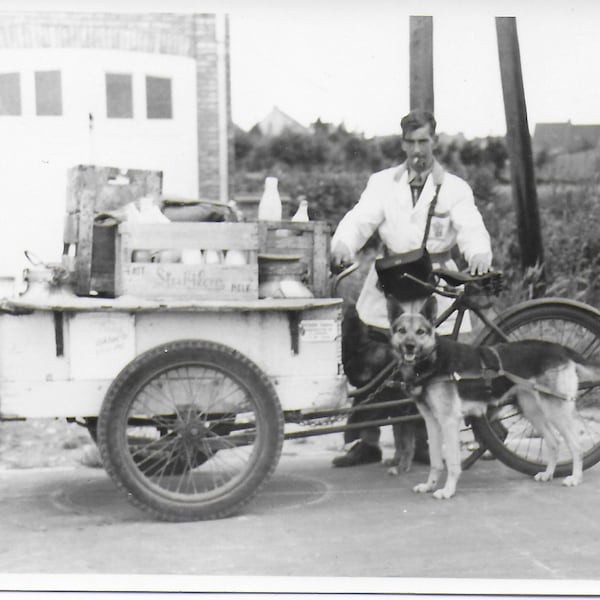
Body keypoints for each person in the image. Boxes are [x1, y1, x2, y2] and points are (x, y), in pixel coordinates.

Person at [330, 109, 493, 467]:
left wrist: (479, 254)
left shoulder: (453, 188)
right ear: (402, 144)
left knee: (432, 363)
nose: (417, 149)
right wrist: (343, 244)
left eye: (424, 141)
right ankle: (365, 441)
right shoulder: (382, 183)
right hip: (389, 281)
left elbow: (470, 227)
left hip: (433, 281)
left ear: (435, 141)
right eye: (411, 142)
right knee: (374, 359)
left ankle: (424, 442)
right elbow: (361, 218)